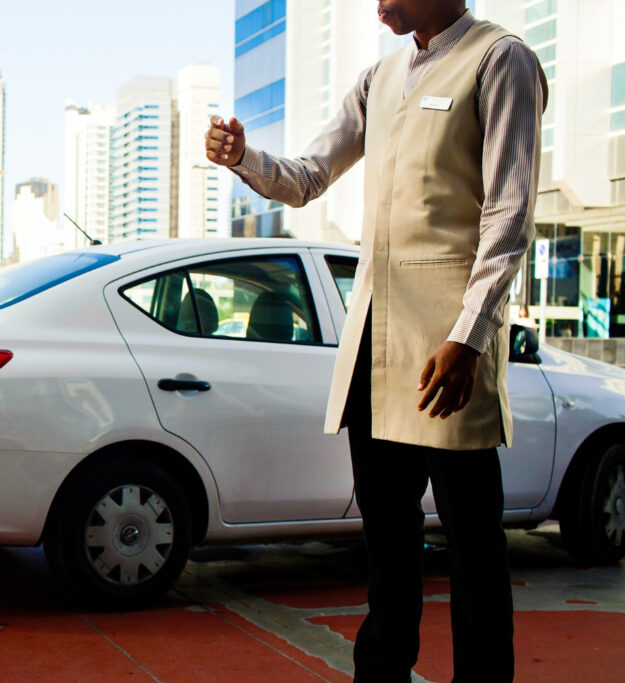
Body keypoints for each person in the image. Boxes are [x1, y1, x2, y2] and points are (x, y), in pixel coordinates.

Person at [205, 1, 546, 680]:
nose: (377, 1)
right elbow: (308, 178)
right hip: (373, 347)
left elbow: (509, 213)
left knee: (474, 545)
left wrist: (470, 337)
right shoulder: (378, 78)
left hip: (449, 351)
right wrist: (245, 157)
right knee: (388, 547)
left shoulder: (499, 58)